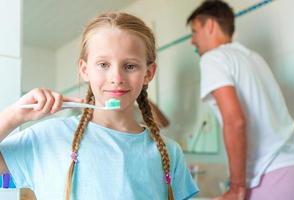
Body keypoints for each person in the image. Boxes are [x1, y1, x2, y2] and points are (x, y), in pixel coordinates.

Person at [0, 12, 199, 200]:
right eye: (104, 64)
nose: (116, 78)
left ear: (148, 73)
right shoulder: (48, 137)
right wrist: (13, 116)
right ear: (85, 70)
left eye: (130, 66)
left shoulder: (169, 152)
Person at [187, 0, 294, 200]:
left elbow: (235, 121)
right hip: (293, 169)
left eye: (195, 31)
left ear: (210, 25)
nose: (192, 41)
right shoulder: (254, 58)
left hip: (268, 175)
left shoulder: (213, 58)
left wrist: (236, 187)